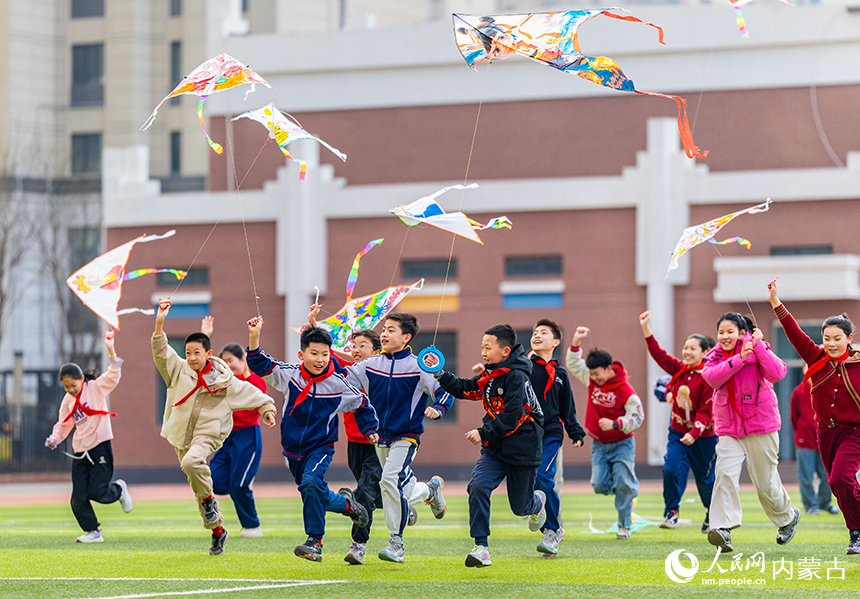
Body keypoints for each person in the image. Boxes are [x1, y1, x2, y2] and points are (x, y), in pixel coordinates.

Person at [246, 318, 378, 562]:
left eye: (325, 354)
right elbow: (258, 363)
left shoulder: (338, 383)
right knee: (313, 491)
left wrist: (370, 429)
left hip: (321, 447)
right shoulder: (290, 375)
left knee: (310, 483)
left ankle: (314, 542)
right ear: (301, 354)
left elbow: (362, 404)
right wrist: (254, 336)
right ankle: (350, 506)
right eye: (314, 353)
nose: (320, 359)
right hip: (292, 449)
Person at [152, 301, 277, 556]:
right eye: (187, 353)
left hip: (208, 436)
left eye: (197, 353)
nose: (191, 358)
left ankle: (219, 507)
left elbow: (253, 393)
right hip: (180, 435)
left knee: (192, 464)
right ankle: (218, 531)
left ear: (209, 354)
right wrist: (160, 321)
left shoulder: (224, 381)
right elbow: (161, 350)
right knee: (199, 486)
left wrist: (268, 409)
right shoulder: (178, 371)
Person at [344, 312, 454, 563]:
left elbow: (444, 391)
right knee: (397, 488)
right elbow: (341, 381)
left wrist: (438, 408)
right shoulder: (370, 364)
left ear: (406, 338)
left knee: (389, 481)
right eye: (384, 329)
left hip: (407, 436)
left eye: (391, 330)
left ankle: (396, 544)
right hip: (379, 439)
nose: (384, 334)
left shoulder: (419, 366)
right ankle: (430, 490)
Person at [433, 324, 546, 567]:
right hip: (495, 448)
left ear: (505, 351)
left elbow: (512, 417)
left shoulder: (517, 377)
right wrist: (440, 374)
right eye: (482, 347)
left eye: (487, 347)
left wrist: (482, 432)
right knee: (478, 486)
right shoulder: (491, 374)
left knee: (520, 507)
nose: (483, 352)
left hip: (523, 449)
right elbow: (467, 389)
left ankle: (537, 502)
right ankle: (481, 548)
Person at [769, 279, 860, 554]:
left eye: (837, 338)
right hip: (825, 433)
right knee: (839, 484)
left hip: (854, 432)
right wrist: (776, 303)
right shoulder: (815, 356)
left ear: (849, 339)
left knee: (839, 479)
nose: (831, 343)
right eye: (827, 338)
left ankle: (856, 534)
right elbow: (793, 332)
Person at [701, 311, 799, 554]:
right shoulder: (714, 356)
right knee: (724, 474)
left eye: (730, 331)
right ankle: (723, 528)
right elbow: (711, 378)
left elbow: (778, 373)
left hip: (761, 425)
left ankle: (787, 517)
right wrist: (739, 359)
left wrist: (759, 347)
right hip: (729, 428)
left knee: (765, 482)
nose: (724, 336)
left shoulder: (759, 348)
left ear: (742, 333)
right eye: (721, 332)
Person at [45, 332, 133, 543]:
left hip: (99, 446)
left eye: (73, 385)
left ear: (82, 380)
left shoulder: (94, 388)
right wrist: (55, 438)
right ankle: (93, 531)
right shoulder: (68, 401)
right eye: (66, 387)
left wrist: (110, 348)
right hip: (80, 452)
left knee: (98, 491)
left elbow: (113, 375)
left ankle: (119, 490)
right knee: (78, 498)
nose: (70, 390)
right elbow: (63, 424)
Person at [639, 311, 717, 533]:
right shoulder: (679, 369)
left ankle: (712, 513)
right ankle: (671, 512)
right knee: (672, 469)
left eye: (693, 348)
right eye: (685, 347)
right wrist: (646, 328)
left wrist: (695, 433)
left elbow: (706, 411)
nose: (687, 352)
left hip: (704, 438)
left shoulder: (710, 377)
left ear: (705, 352)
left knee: (706, 480)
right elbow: (659, 354)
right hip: (678, 434)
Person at [566, 326, 643, 540]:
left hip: (623, 443)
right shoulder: (591, 378)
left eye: (597, 373)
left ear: (609, 369)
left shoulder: (626, 391)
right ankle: (626, 492)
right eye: (591, 374)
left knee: (624, 482)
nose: (593, 378)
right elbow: (574, 364)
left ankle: (624, 526)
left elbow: (638, 417)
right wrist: (576, 341)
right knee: (599, 485)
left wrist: (616, 424)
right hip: (599, 444)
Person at [200, 315, 269, 538]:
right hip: (226, 437)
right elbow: (202, 369)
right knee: (213, 482)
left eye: (231, 360)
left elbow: (262, 402)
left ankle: (252, 526)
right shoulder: (224, 382)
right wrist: (205, 335)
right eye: (224, 362)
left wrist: (267, 413)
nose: (228, 365)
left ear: (243, 359)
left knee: (239, 484)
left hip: (248, 437)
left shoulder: (255, 382)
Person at [528, 319, 584, 556]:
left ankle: (552, 531)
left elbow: (567, 407)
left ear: (556, 342)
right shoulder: (523, 368)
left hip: (551, 434)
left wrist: (575, 432)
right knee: (529, 484)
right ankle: (535, 510)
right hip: (525, 435)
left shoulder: (560, 374)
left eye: (543, 332)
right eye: (535, 332)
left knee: (544, 476)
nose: (537, 335)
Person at [790, 365, 839, 517]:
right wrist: (801, 432)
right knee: (806, 475)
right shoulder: (798, 391)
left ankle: (824, 503)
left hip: (825, 440)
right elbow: (794, 416)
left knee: (827, 474)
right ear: (804, 371)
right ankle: (810, 506)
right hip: (805, 440)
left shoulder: (828, 389)